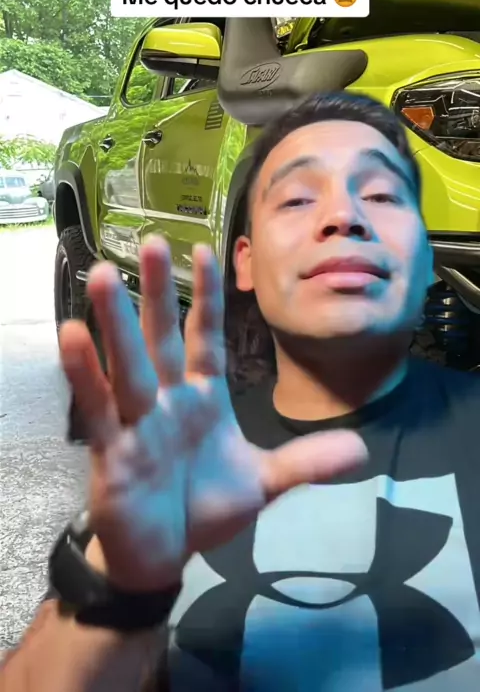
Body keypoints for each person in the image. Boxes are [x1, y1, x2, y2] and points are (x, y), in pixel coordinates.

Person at [2, 91, 480, 692]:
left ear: (427, 254)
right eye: (298, 198)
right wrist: (115, 585)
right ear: (245, 261)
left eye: (382, 196)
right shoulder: (178, 465)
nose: (343, 216)